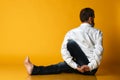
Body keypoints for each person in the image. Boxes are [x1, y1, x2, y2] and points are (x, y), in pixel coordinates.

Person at [24, 7, 103, 75]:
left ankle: (33, 69)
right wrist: (83, 66)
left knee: (69, 46)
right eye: (94, 17)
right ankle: (33, 69)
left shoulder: (71, 33)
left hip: (86, 68)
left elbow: (64, 51)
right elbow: (98, 52)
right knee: (61, 65)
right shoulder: (98, 33)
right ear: (90, 18)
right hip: (91, 69)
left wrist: (78, 66)